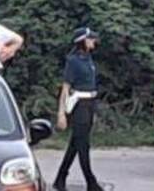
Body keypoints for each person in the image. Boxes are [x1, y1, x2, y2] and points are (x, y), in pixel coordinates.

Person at [53, 27, 103, 191]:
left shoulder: (88, 58)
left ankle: (61, 178)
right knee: (83, 145)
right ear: (82, 41)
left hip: (90, 103)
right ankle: (91, 182)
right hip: (78, 104)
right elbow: (66, 87)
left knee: (75, 143)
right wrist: (61, 113)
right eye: (90, 39)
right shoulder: (73, 61)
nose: (93, 41)